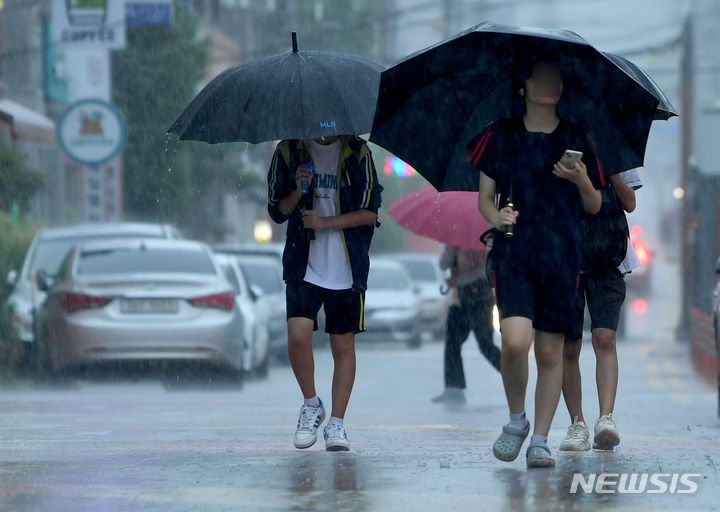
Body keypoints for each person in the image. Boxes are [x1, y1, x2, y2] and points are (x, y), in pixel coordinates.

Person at [471, 50, 602, 468]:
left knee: (550, 353)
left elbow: (595, 205)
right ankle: (516, 420)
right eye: (542, 76)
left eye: (556, 79)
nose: (552, 84)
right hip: (515, 252)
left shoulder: (578, 138)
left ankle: (541, 439)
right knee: (514, 343)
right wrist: (499, 215)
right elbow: (483, 201)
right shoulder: (501, 133)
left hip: (562, 256)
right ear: (524, 86)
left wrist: (581, 178)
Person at [267, 134, 383, 452]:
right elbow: (277, 211)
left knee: (342, 345)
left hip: (347, 265)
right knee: (298, 334)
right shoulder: (289, 151)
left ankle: (337, 424)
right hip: (303, 262)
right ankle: (311, 405)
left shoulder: (358, 153)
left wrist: (326, 222)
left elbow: (371, 213)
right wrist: (298, 191)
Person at [559, 169, 642, 452]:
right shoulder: (556, 142)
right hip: (564, 257)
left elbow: (629, 203)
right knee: (569, 346)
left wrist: (612, 171)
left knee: (604, 338)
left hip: (607, 254)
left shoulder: (615, 146)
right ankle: (577, 423)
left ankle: (606, 419)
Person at [431, 244, 500, 404]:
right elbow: (442, 264)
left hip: (480, 299)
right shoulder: (452, 243)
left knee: (486, 345)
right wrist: (450, 252)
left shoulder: (478, 243)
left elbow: (483, 271)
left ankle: (513, 376)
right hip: (458, 300)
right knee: (452, 342)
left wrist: (459, 280)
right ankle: (453, 388)